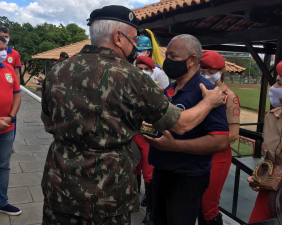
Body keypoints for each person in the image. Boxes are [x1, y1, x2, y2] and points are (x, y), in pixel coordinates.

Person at [40, 6, 225, 225]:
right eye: (134, 39)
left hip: (60, 186)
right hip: (107, 191)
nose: (136, 46)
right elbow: (182, 124)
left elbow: (47, 123)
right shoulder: (131, 77)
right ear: (118, 38)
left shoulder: (57, 72)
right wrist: (210, 101)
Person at [144, 35, 229, 225]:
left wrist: (175, 146)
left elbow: (220, 140)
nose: (167, 62)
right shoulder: (169, 90)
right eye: (167, 56)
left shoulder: (207, 93)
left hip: (186, 178)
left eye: (173, 57)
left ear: (191, 60)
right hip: (161, 171)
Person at [247, 57, 282, 223]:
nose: (273, 87)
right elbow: (269, 160)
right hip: (268, 193)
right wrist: (259, 178)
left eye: (279, 83)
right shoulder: (271, 118)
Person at [198, 51, 240, 225]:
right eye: (203, 72)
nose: (206, 76)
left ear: (221, 71)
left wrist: (206, 143)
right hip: (196, 152)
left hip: (217, 155)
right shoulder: (197, 92)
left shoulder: (229, 97)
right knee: (197, 201)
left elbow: (234, 134)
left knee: (209, 205)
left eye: (211, 72)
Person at [0, 35, 22, 216]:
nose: (2, 53)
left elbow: (17, 94)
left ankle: (2, 201)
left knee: (4, 166)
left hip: (7, 128)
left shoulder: (8, 69)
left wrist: (11, 117)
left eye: (3, 49)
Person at [134, 56, 157, 225]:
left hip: (150, 138)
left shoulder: (158, 92)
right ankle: (133, 199)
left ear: (152, 71)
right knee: (133, 169)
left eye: (146, 69)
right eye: (139, 68)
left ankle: (150, 211)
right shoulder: (127, 91)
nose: (142, 72)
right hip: (133, 136)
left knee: (149, 175)